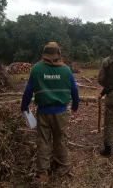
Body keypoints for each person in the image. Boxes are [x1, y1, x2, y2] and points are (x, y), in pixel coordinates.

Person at [20, 42, 79, 184]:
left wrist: (24, 106)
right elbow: (75, 90)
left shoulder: (36, 70)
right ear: (58, 54)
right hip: (61, 113)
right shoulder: (66, 70)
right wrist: (75, 106)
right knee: (60, 140)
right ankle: (64, 169)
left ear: (44, 55)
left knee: (44, 142)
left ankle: (43, 174)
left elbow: (28, 91)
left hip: (43, 112)